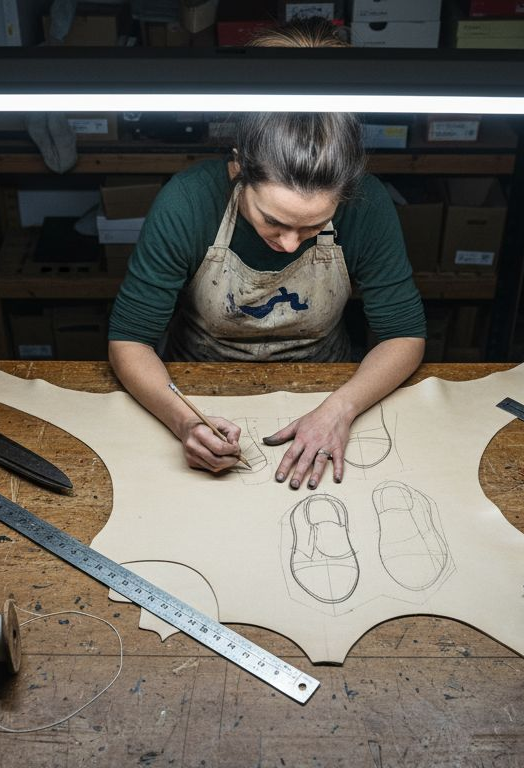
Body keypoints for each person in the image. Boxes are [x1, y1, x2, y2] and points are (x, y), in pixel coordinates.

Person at [107, 19, 426, 492]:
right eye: (273, 221)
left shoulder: (368, 205)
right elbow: (129, 340)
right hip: (199, 388)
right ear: (238, 168)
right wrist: (183, 421)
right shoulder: (188, 202)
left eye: (314, 226)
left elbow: (404, 336)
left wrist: (341, 408)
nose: (291, 243)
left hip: (325, 388)